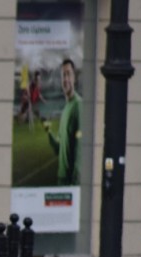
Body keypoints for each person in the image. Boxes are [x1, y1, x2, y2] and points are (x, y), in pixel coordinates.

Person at [44, 58, 82, 186]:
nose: (65, 79)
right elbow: (58, 149)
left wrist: (74, 183)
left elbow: (80, 148)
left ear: (74, 77)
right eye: (63, 75)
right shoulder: (65, 109)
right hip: (61, 179)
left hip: (70, 182)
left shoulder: (78, 105)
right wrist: (48, 132)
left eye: (68, 74)